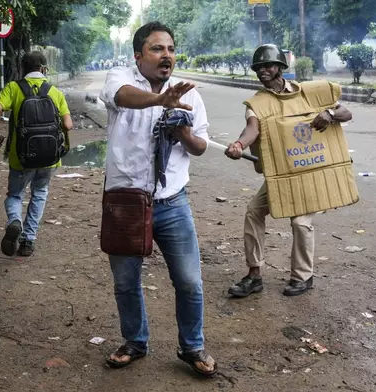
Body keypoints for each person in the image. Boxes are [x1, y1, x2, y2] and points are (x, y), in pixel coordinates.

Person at [99, 21, 217, 376]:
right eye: (157, 49)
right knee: (125, 282)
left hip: (172, 203)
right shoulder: (120, 78)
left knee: (189, 281)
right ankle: (135, 342)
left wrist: (182, 131)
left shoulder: (190, 94)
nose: (166, 56)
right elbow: (121, 97)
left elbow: (200, 146)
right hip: (126, 203)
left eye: (170, 49)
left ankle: (192, 347)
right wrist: (160, 100)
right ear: (138, 55)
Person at [225, 44, 353, 297]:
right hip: (281, 173)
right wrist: (240, 144)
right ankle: (254, 275)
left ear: (281, 68)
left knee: (300, 221)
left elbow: (346, 112)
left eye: (268, 65)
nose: (263, 70)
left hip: (309, 171)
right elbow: (253, 129)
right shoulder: (257, 104)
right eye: (258, 67)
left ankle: (303, 277)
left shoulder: (309, 93)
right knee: (253, 211)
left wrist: (329, 113)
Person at [0, 51, 73, 257]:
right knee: (39, 194)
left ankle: (15, 221)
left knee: (15, 194)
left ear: (22, 69)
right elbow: (68, 124)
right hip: (49, 158)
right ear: (44, 69)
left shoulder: (13, 88)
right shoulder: (55, 92)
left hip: (20, 156)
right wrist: (65, 147)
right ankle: (27, 241)